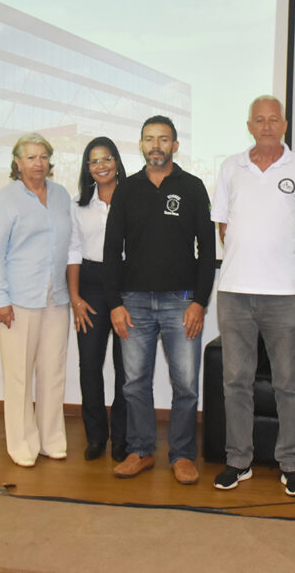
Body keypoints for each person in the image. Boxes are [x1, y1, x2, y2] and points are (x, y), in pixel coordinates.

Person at [210, 95, 295, 496]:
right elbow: (223, 226)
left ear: (285, 125)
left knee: (288, 384)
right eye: (260, 119)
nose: (268, 125)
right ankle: (238, 461)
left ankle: (292, 464)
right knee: (235, 382)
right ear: (249, 125)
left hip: (285, 294)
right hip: (235, 293)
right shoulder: (230, 167)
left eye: (274, 119)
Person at [103, 115, 216, 484]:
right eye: (149, 139)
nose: (156, 145)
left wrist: (199, 301)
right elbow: (110, 250)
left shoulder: (193, 187)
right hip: (132, 302)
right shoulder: (127, 190)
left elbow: (207, 248)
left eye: (163, 139)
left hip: (180, 302)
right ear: (140, 145)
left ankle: (182, 455)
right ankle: (141, 450)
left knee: (185, 385)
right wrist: (114, 303)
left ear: (175, 146)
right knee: (134, 382)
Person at [0, 134, 72, 466]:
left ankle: (52, 440)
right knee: (19, 376)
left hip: (56, 298)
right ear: (17, 163)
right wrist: (0, 298)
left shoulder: (62, 196)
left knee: (53, 373)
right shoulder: (6, 199)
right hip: (18, 300)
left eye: (43, 157)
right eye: (31, 157)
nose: (38, 163)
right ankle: (22, 444)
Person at [67, 137, 128, 462]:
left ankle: (121, 438)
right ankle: (95, 437)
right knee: (89, 363)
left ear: (117, 161)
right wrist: (75, 297)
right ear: (87, 168)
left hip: (126, 285)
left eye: (107, 159)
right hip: (89, 285)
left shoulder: (134, 197)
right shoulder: (78, 203)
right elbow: (73, 250)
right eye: (94, 161)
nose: (101, 165)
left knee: (126, 367)